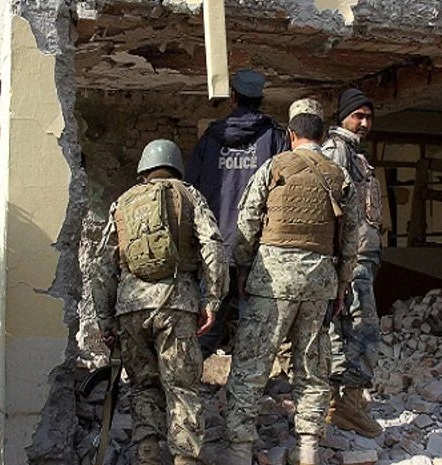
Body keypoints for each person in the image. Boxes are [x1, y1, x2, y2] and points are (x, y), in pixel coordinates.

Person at [221, 99, 358, 465]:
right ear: (325, 135)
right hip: (319, 283)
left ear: (290, 134)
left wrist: (243, 271)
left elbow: (247, 222)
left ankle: (238, 449)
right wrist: (342, 285)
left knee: (251, 367)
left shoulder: (272, 167)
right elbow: (350, 240)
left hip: (272, 282)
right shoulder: (339, 176)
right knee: (312, 369)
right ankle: (308, 448)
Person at [93, 139, 229, 465]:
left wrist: (105, 320)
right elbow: (213, 245)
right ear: (176, 167)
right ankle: (186, 460)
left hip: (130, 307)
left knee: (143, 386)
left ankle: (148, 455)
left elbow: (101, 266)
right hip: (176, 304)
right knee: (182, 388)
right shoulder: (188, 194)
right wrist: (213, 298)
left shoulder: (122, 203)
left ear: (143, 170)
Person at [185, 68, 289, 358]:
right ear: (261, 99)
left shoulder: (210, 138)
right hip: (257, 247)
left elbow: (190, 190)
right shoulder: (274, 138)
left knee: (208, 316)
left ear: (233, 98)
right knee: (253, 319)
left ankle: (195, 377)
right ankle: (249, 384)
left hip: (214, 244)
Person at [321, 88, 384, 438]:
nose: (363, 122)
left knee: (352, 328)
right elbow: (331, 206)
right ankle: (345, 404)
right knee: (361, 328)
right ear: (343, 116)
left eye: (368, 117)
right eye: (357, 115)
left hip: (361, 258)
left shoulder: (356, 153)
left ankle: (344, 402)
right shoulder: (338, 150)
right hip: (350, 260)